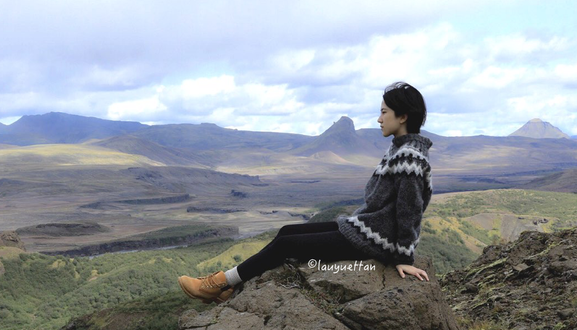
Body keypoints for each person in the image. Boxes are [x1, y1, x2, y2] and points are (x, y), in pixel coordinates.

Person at [179, 81, 433, 305]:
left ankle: (217, 284)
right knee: (288, 231)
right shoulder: (400, 150)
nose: (379, 119)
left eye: (384, 112)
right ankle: (230, 287)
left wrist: (404, 258)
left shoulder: (409, 158)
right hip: (365, 229)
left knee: (287, 244)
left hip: (375, 242)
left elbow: (409, 211)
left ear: (402, 116)